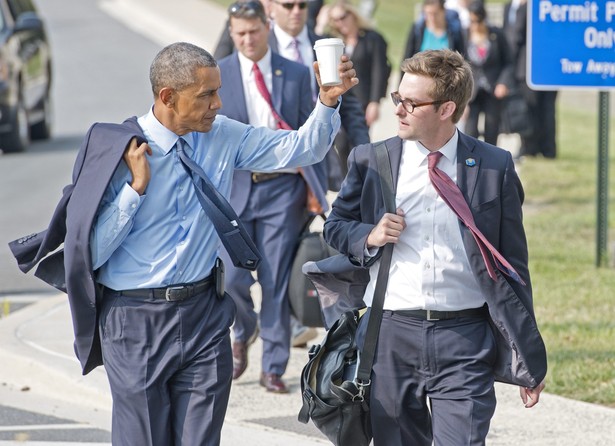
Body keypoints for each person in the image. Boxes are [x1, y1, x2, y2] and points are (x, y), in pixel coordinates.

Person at [10, 41, 358, 445]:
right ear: (168, 97)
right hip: (134, 321)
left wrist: (327, 103)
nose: (218, 103)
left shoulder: (223, 135)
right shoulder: (118, 151)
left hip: (204, 316)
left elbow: (301, 149)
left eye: (218, 92)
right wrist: (135, 190)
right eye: (207, 95)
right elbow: (91, 254)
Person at [322, 49, 547, 445]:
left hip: (465, 337)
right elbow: (336, 227)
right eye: (398, 98)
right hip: (390, 334)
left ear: (447, 109)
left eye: (411, 102)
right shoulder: (372, 160)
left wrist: (528, 358)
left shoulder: (494, 167)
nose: (400, 110)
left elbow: (513, 265)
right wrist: (369, 236)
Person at [217, 0, 327, 393]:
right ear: (231, 34)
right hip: (234, 189)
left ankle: (273, 365)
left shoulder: (295, 74)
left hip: (283, 190)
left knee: (275, 278)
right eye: (239, 34)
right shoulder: (220, 74)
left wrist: (316, 185)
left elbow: (313, 132)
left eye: (254, 32)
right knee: (230, 278)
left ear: (267, 27)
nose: (247, 40)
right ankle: (243, 330)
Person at [503, 0, 558, 158]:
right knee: (536, 109)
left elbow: (517, 35)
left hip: (531, 66)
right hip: (534, 67)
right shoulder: (509, 7)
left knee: (538, 109)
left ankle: (539, 149)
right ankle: (539, 148)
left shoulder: (530, 7)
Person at [326, 1, 391, 129]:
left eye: (342, 17)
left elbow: (379, 71)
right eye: (335, 20)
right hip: (339, 102)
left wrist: (375, 102)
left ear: (353, 14)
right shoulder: (334, 41)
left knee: (359, 143)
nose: (340, 23)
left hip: (362, 101)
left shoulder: (372, 38)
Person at [464, 1, 513, 145]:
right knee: (470, 129)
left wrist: (503, 83)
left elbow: (508, 62)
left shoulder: (496, 35)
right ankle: (471, 162)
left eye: (477, 21)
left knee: (492, 128)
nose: (475, 25)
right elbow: (459, 64)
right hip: (472, 91)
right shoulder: (465, 34)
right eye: (471, 21)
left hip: (492, 89)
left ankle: (490, 162)